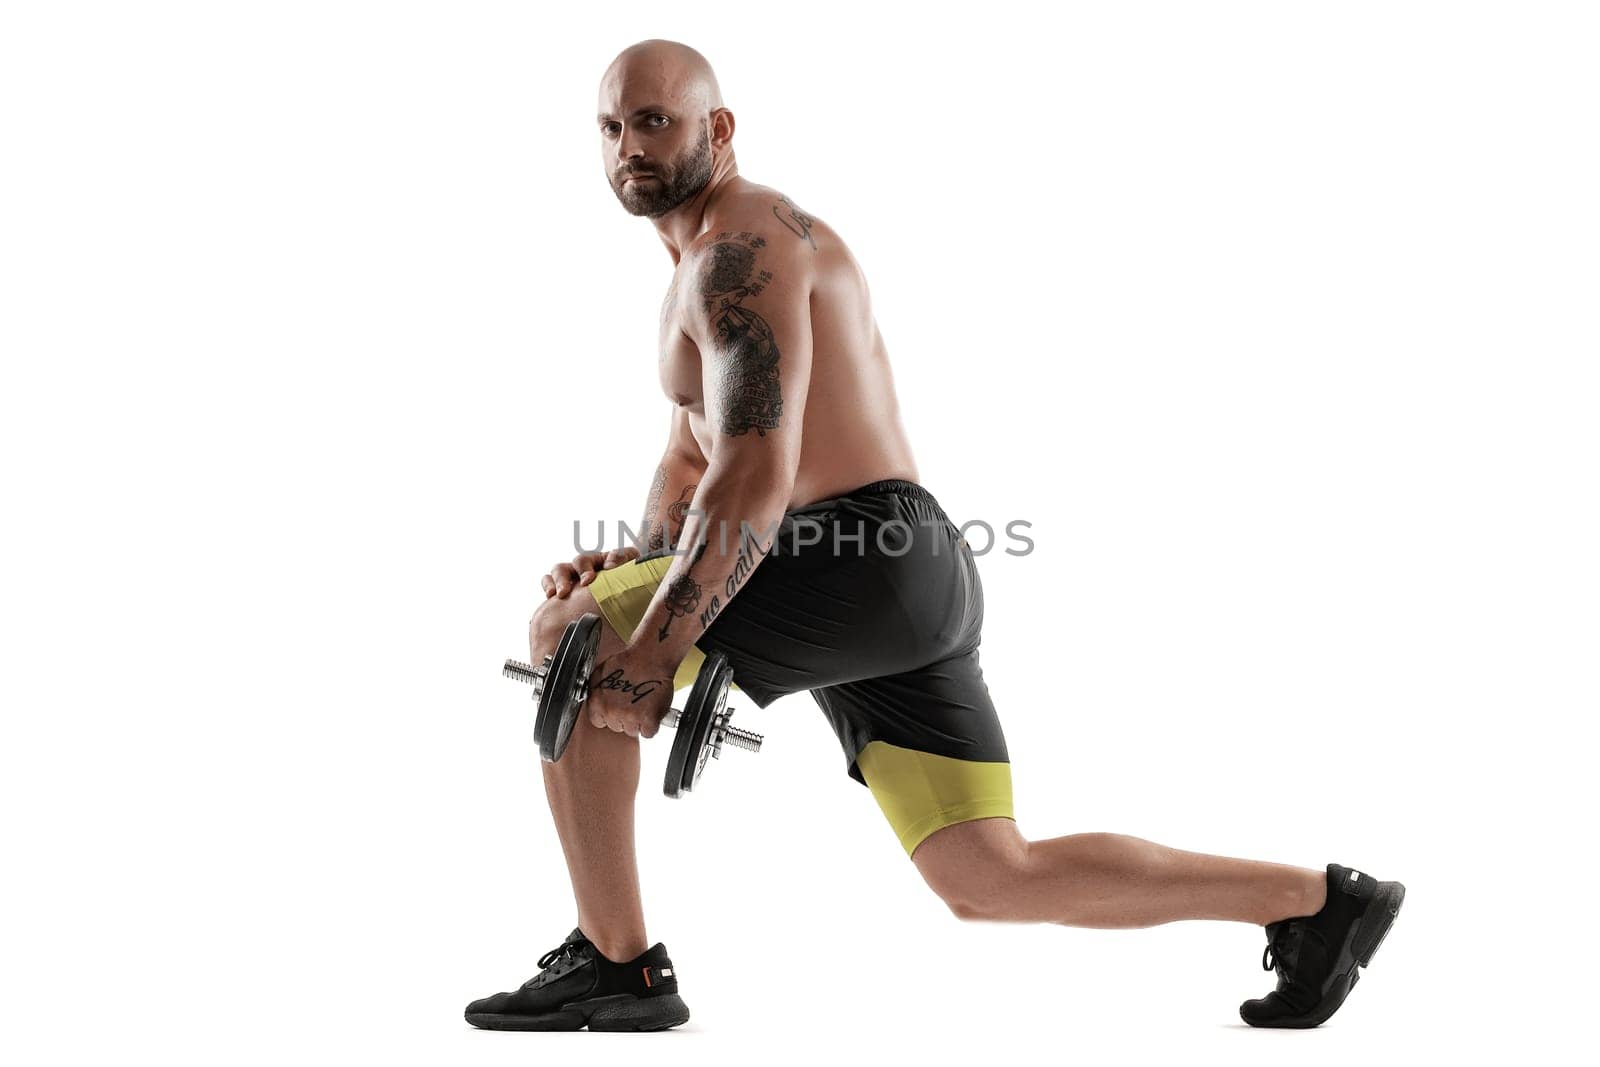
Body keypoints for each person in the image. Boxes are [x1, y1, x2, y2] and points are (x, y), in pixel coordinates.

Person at [464, 39, 1405, 1033]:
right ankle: (1318, 901)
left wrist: (649, 645)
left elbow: (754, 469)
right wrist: (638, 565)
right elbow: (689, 464)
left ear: (718, 128)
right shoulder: (702, 266)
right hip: (907, 573)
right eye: (610, 127)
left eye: (653, 121)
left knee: (569, 635)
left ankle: (617, 962)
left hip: (849, 555)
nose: (629, 148)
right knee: (988, 872)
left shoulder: (742, 251)